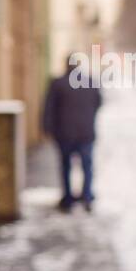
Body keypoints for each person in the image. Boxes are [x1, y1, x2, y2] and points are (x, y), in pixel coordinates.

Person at [41, 53, 102, 212]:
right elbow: (98, 103)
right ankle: (87, 197)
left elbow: (49, 107)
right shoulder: (90, 82)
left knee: (66, 166)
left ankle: (68, 199)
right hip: (85, 133)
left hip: (64, 133)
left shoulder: (58, 83)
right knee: (86, 167)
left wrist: (47, 128)